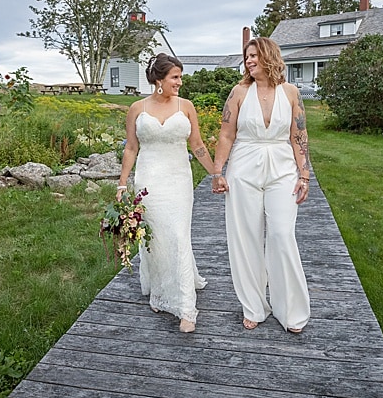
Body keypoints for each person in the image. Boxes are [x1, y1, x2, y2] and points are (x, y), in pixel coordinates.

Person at [211, 36, 312, 333]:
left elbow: (299, 136)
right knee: (246, 238)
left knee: (282, 234)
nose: (249, 60)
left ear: (270, 56)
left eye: (254, 55)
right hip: (243, 168)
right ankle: (254, 305)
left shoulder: (291, 92)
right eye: (247, 56)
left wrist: (304, 174)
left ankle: (290, 310)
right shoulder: (239, 92)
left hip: (283, 169)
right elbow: (226, 135)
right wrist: (218, 172)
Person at [116, 53, 218, 333]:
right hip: (149, 180)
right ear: (159, 80)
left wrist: (215, 173)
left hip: (178, 180)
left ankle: (186, 307)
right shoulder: (137, 108)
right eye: (175, 77)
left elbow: (197, 145)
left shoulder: (186, 106)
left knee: (178, 234)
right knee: (157, 236)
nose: (180, 82)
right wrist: (123, 183)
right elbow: (131, 148)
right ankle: (160, 290)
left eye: (180, 77)